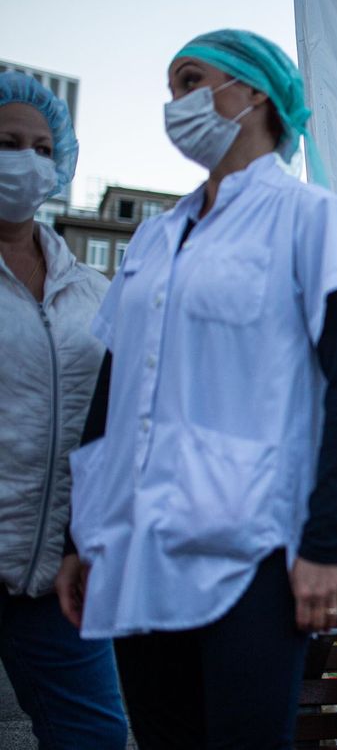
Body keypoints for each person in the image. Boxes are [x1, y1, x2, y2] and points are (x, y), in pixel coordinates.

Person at [66, 30, 337, 749]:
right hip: (140, 539)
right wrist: (78, 536)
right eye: (171, 87)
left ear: (253, 92)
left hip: (253, 546)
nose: (175, 103)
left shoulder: (310, 219)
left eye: (190, 81)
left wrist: (326, 542)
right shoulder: (154, 237)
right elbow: (114, 387)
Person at [0, 71, 127, 749]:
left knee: (96, 735)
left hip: (58, 573)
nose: (26, 160)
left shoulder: (92, 289)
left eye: (43, 147)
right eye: (7, 142)